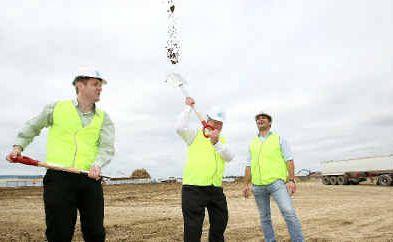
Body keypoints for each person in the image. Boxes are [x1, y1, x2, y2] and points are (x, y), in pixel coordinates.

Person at [6, 68, 115, 242]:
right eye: (95, 84)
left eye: (100, 85)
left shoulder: (104, 118)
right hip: (59, 180)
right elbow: (33, 126)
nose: (100, 88)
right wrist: (18, 146)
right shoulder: (56, 108)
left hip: (89, 179)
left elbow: (107, 147)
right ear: (80, 85)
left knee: (95, 232)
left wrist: (98, 164)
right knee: (59, 233)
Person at [175, 79, 234, 242]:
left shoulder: (222, 140)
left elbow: (229, 156)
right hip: (194, 189)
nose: (218, 126)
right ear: (208, 120)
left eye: (220, 124)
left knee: (220, 223)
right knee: (193, 230)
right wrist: (188, 108)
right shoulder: (193, 133)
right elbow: (179, 128)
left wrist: (216, 144)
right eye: (215, 122)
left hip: (215, 190)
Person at [242, 111, 304, 242]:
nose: (260, 120)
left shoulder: (279, 139)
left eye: (263, 118)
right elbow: (248, 165)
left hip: (276, 184)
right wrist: (246, 184)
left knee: (289, 213)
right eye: (258, 119)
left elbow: (289, 160)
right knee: (264, 218)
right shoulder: (252, 143)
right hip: (258, 186)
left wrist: (291, 180)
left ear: (269, 122)